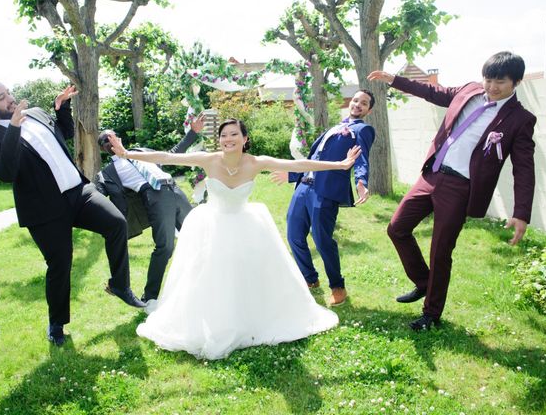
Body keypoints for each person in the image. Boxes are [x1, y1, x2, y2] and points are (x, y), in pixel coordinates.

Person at [107, 118, 361, 359]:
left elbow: (298, 165)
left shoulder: (255, 162)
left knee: (247, 271)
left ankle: (251, 317)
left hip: (245, 223)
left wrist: (340, 165)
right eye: (223, 135)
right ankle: (213, 319)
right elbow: (167, 157)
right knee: (210, 273)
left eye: (233, 134)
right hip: (213, 224)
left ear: (244, 138)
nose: (228, 139)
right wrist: (127, 154)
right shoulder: (208, 160)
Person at [0, 80, 145, 346]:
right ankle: (57, 324)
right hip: (44, 211)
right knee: (60, 265)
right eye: (2, 98)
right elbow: (6, 171)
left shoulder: (36, 114)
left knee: (117, 223)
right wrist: (14, 127)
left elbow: (64, 133)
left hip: (78, 193)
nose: (11, 98)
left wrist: (61, 108)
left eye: (9, 92)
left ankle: (119, 285)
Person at [368, 51, 536, 331]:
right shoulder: (470, 91)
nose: (492, 87)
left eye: (500, 82)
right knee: (397, 228)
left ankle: (431, 315)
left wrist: (521, 213)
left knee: (440, 251)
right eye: (488, 79)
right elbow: (432, 91)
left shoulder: (520, 119)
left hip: (461, 187)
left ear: (516, 82)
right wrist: (394, 80)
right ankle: (424, 282)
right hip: (432, 174)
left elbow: (524, 168)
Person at [271, 90, 375, 307]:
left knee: (321, 239)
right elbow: (313, 159)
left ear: (369, 110)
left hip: (325, 192)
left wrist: (361, 181)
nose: (357, 105)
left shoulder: (362, 130)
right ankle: (310, 279)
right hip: (303, 188)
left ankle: (337, 286)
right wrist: (292, 175)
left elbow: (362, 156)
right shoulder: (337, 126)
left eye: (363, 103)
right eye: (355, 100)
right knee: (294, 235)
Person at [95, 114, 206, 305]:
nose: (110, 140)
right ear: (104, 148)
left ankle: (204, 284)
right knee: (165, 247)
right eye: (105, 139)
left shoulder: (141, 151)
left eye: (112, 136)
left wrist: (193, 133)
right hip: (155, 196)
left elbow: (172, 153)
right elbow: (94, 194)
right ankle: (150, 297)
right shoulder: (107, 174)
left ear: (119, 138)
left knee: (198, 235)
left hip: (174, 190)